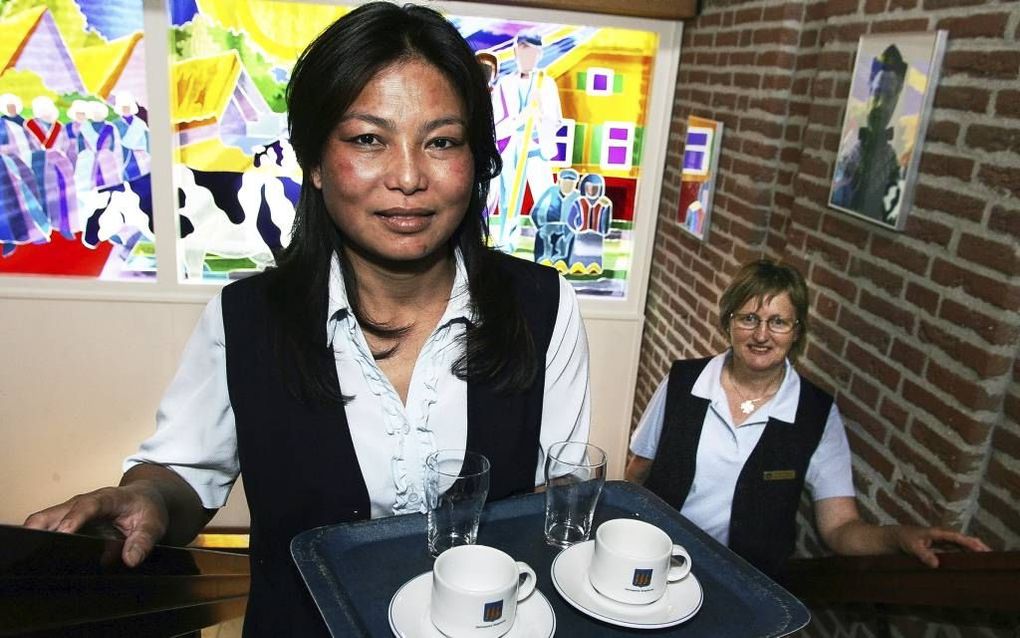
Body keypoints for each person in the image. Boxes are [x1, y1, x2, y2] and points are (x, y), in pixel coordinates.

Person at [24, 4, 591, 636]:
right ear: (316, 162)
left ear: (477, 159)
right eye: (368, 139)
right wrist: (148, 499)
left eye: (441, 141)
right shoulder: (247, 319)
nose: (408, 177)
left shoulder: (541, 306)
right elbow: (185, 472)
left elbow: (561, 497)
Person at [625, 259, 988, 580]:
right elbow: (640, 469)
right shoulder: (684, 381)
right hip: (658, 563)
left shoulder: (815, 414)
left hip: (743, 585)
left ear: (797, 331)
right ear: (729, 322)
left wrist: (896, 538)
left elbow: (841, 527)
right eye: (749, 318)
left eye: (778, 322)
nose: (762, 334)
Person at [490, 32, 563, 252]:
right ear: (515, 53)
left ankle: (550, 247)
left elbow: (555, 119)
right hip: (512, 148)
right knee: (509, 199)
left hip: (537, 148)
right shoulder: (505, 83)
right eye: (522, 51)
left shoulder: (546, 83)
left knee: (546, 198)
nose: (526, 56)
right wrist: (517, 121)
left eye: (530, 51)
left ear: (539, 54)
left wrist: (540, 114)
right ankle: (507, 245)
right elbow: (495, 122)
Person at [831, 44, 907, 225]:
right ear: (868, 92)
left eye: (888, 97)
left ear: (896, 101)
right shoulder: (846, 144)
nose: (880, 104)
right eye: (877, 93)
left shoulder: (894, 163)